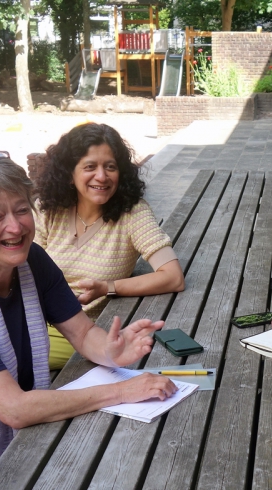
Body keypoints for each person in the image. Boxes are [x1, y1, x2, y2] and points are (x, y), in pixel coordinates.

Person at [0, 153, 176, 490]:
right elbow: (15, 409)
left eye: (21, 210)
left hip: (22, 428)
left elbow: (83, 335)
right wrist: (122, 390)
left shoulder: (31, 260)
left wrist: (114, 351)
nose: (16, 227)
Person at [34, 123, 185, 369]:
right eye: (90, 167)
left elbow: (173, 277)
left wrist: (108, 288)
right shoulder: (49, 209)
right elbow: (23, 272)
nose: (102, 176)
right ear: (69, 173)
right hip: (35, 322)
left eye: (110, 167)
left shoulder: (132, 214)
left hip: (81, 333)